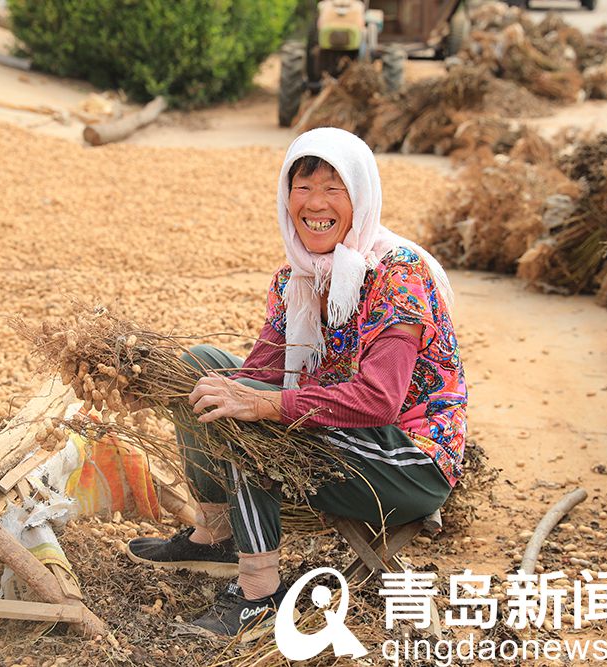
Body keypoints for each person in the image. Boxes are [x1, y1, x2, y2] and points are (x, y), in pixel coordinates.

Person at [126, 127, 467, 641]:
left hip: (407, 461)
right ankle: (216, 530)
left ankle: (258, 591)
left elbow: (379, 399)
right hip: (341, 440)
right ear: (286, 195)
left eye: (335, 189)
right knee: (203, 369)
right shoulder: (296, 279)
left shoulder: (398, 274)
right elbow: (261, 372)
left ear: (362, 196)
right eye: (302, 187)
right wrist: (157, 380)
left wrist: (262, 405)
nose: (316, 205)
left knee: (255, 422)